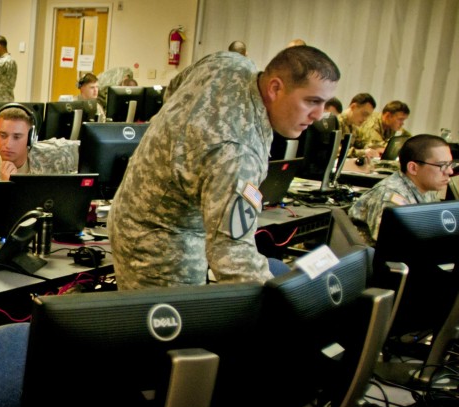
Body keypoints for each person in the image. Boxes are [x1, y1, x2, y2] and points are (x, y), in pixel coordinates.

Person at [108, 46, 340, 289]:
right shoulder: (237, 153)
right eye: (312, 101)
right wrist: (288, 305)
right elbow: (233, 258)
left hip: (135, 204)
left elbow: (174, 89)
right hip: (159, 244)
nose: (319, 115)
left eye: (325, 103)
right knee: (172, 322)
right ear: (275, 88)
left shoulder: (228, 63)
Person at [348, 134, 455, 245]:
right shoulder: (389, 197)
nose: (450, 172)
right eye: (442, 165)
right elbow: (395, 250)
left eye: (450, 164)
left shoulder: (426, 190)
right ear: (413, 168)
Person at [0, 103, 78, 182]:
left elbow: (90, 148)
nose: (8, 145)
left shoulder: (56, 154)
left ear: (30, 137)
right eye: (3, 135)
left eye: (17, 137)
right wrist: (7, 187)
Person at [337, 93, 377, 157]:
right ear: (353, 107)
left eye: (368, 116)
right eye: (364, 114)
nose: (365, 119)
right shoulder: (336, 122)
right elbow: (336, 151)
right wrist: (362, 152)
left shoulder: (353, 126)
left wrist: (374, 149)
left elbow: (361, 143)